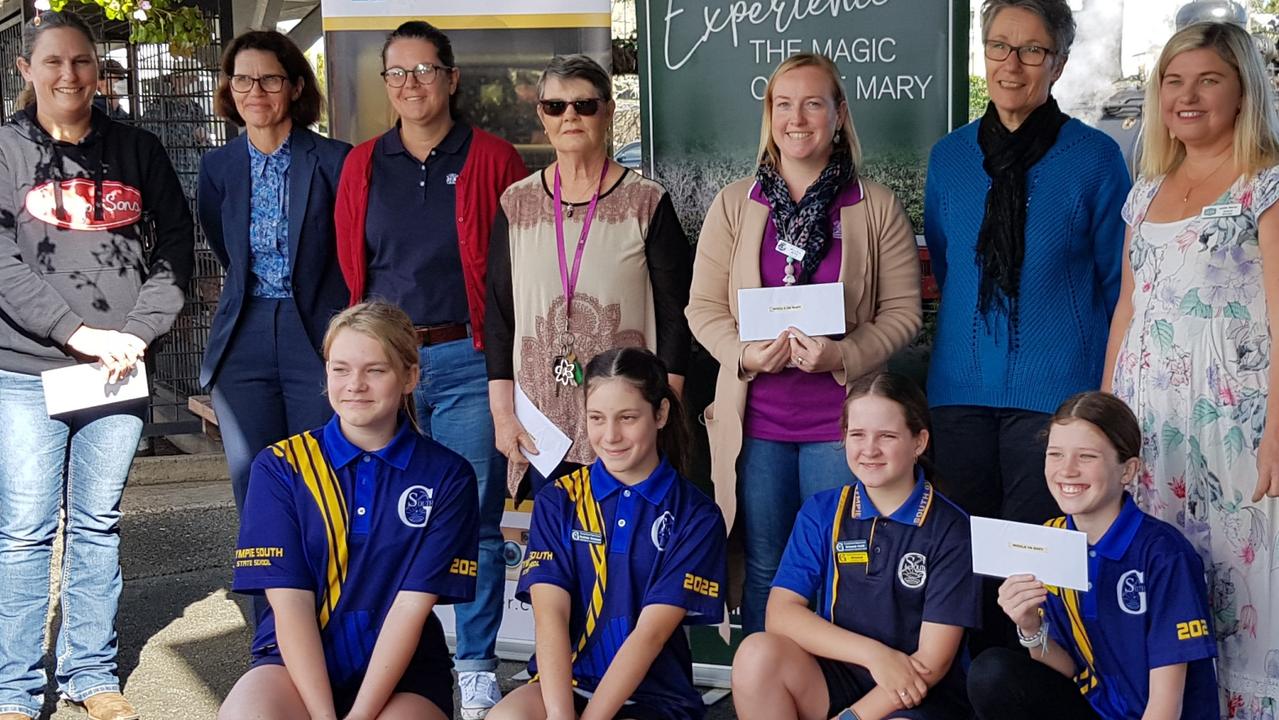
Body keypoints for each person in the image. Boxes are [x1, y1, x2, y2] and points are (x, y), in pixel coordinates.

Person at [686, 52, 922, 635]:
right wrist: (743, 353)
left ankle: (835, 691)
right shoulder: (734, 204)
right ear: (769, 116)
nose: (797, 118)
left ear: (839, 114)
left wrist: (841, 355)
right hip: (758, 426)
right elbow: (702, 308)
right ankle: (767, 689)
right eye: (783, 104)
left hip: (841, 428)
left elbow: (904, 315)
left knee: (843, 567)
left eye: (814, 103)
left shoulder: (875, 206)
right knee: (767, 567)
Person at [0, 11, 194, 720]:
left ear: (98, 67)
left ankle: (91, 676)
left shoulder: (138, 150)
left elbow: (175, 246)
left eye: (82, 61)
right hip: (25, 372)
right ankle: (15, 690)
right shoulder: (6, 151)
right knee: (23, 532)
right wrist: (76, 330)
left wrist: (134, 335)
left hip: (120, 371)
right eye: (53, 62)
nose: (69, 76)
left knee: (96, 524)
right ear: (26, 70)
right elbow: (2, 264)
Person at [923, 0, 1130, 650]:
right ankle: (962, 692)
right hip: (956, 395)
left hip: (1054, 403)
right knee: (960, 564)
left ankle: (1027, 691)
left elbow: (1113, 282)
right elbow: (949, 264)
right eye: (999, 46)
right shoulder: (948, 157)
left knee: (1035, 570)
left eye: (1032, 50)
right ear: (983, 53)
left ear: (1059, 62)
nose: (1012, 64)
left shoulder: (1094, 160)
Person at [333, 21, 526, 716]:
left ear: (450, 79)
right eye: (397, 73)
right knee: (381, 510)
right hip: (384, 364)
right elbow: (351, 264)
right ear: (386, 82)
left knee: (470, 514)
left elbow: (513, 273)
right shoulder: (361, 164)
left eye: (423, 70)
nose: (410, 84)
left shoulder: (493, 157)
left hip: (466, 359)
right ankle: (391, 656)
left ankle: (473, 663)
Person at [1102, 20, 1279, 715]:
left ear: (1242, 91)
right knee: (1161, 573)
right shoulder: (1144, 190)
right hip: (1149, 420)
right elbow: (1126, 308)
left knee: (1242, 580)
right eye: (1173, 81)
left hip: (1234, 417)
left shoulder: (1265, 184)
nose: (1186, 96)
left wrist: (1275, 432)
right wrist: (1105, 421)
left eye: (1207, 79)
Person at [218, 301, 480, 720]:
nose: (355, 384)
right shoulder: (282, 466)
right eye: (340, 369)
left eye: (375, 370)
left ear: (410, 376)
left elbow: (410, 608)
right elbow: (290, 605)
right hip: (293, 664)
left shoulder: (448, 476)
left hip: (402, 674)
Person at [485, 54, 691, 500]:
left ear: (609, 111)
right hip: (542, 425)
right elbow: (500, 318)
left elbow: (678, 315)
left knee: (628, 550)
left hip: (627, 421)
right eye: (556, 107)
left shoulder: (647, 202)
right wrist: (504, 416)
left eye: (585, 105)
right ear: (542, 115)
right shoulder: (514, 204)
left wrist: (665, 409)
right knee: (559, 553)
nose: (571, 116)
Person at [488, 347, 727, 720]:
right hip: (565, 687)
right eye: (597, 418)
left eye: (628, 418)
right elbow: (549, 616)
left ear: (660, 414)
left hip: (654, 698)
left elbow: (651, 635)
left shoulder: (696, 514)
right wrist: (561, 715)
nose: (611, 435)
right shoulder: (559, 498)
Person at [731, 372, 979, 720]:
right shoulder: (823, 510)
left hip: (915, 692)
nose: (870, 449)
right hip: (842, 673)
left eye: (888, 436)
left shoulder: (951, 528)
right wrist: (874, 655)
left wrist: (851, 718)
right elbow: (780, 613)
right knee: (756, 654)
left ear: (919, 442)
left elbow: (932, 663)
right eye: (857, 434)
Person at [968, 392, 1218, 719]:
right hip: (1096, 709)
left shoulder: (1162, 554)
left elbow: (1166, 705)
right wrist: (1029, 626)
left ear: (1127, 470)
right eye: (1055, 454)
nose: (1067, 470)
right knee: (993, 674)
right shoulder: (1053, 538)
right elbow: (1069, 668)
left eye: (1086, 456)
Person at [199, 29, 351, 532]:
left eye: (269, 80)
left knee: (322, 479)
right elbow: (225, 246)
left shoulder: (335, 161)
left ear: (296, 87)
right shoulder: (218, 166)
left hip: (319, 333)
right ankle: (269, 610)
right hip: (244, 334)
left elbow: (349, 252)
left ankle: (329, 607)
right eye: (243, 80)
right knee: (255, 482)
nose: (255, 92)